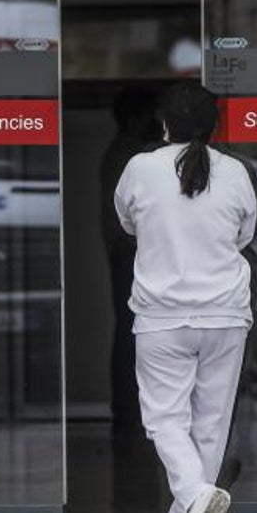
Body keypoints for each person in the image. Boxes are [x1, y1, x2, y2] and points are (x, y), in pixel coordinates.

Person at [114, 82, 257, 513]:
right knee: (211, 423)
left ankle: (195, 498)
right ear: (215, 125)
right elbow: (244, 235)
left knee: (164, 419)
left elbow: (128, 223)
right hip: (224, 314)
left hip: (162, 316)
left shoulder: (140, 168)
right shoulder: (235, 172)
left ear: (164, 124)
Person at [100, 86, 162, 426]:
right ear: (138, 117)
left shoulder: (123, 154)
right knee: (131, 332)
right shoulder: (131, 157)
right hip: (130, 253)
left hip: (128, 252)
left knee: (129, 331)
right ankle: (128, 409)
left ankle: (128, 409)